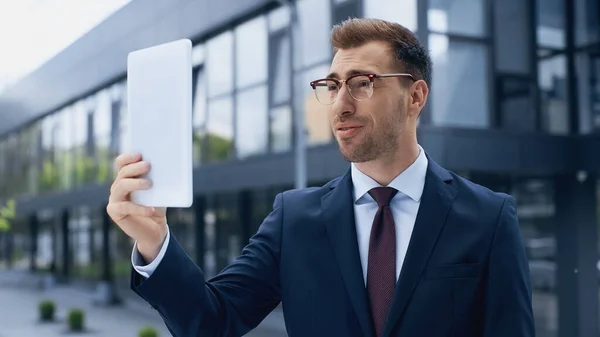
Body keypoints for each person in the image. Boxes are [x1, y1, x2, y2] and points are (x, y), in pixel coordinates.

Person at [107, 18, 535, 337]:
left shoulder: (488, 218)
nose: (339, 105)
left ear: (416, 96)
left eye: (361, 83)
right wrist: (153, 241)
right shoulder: (294, 218)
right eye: (331, 86)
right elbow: (211, 321)